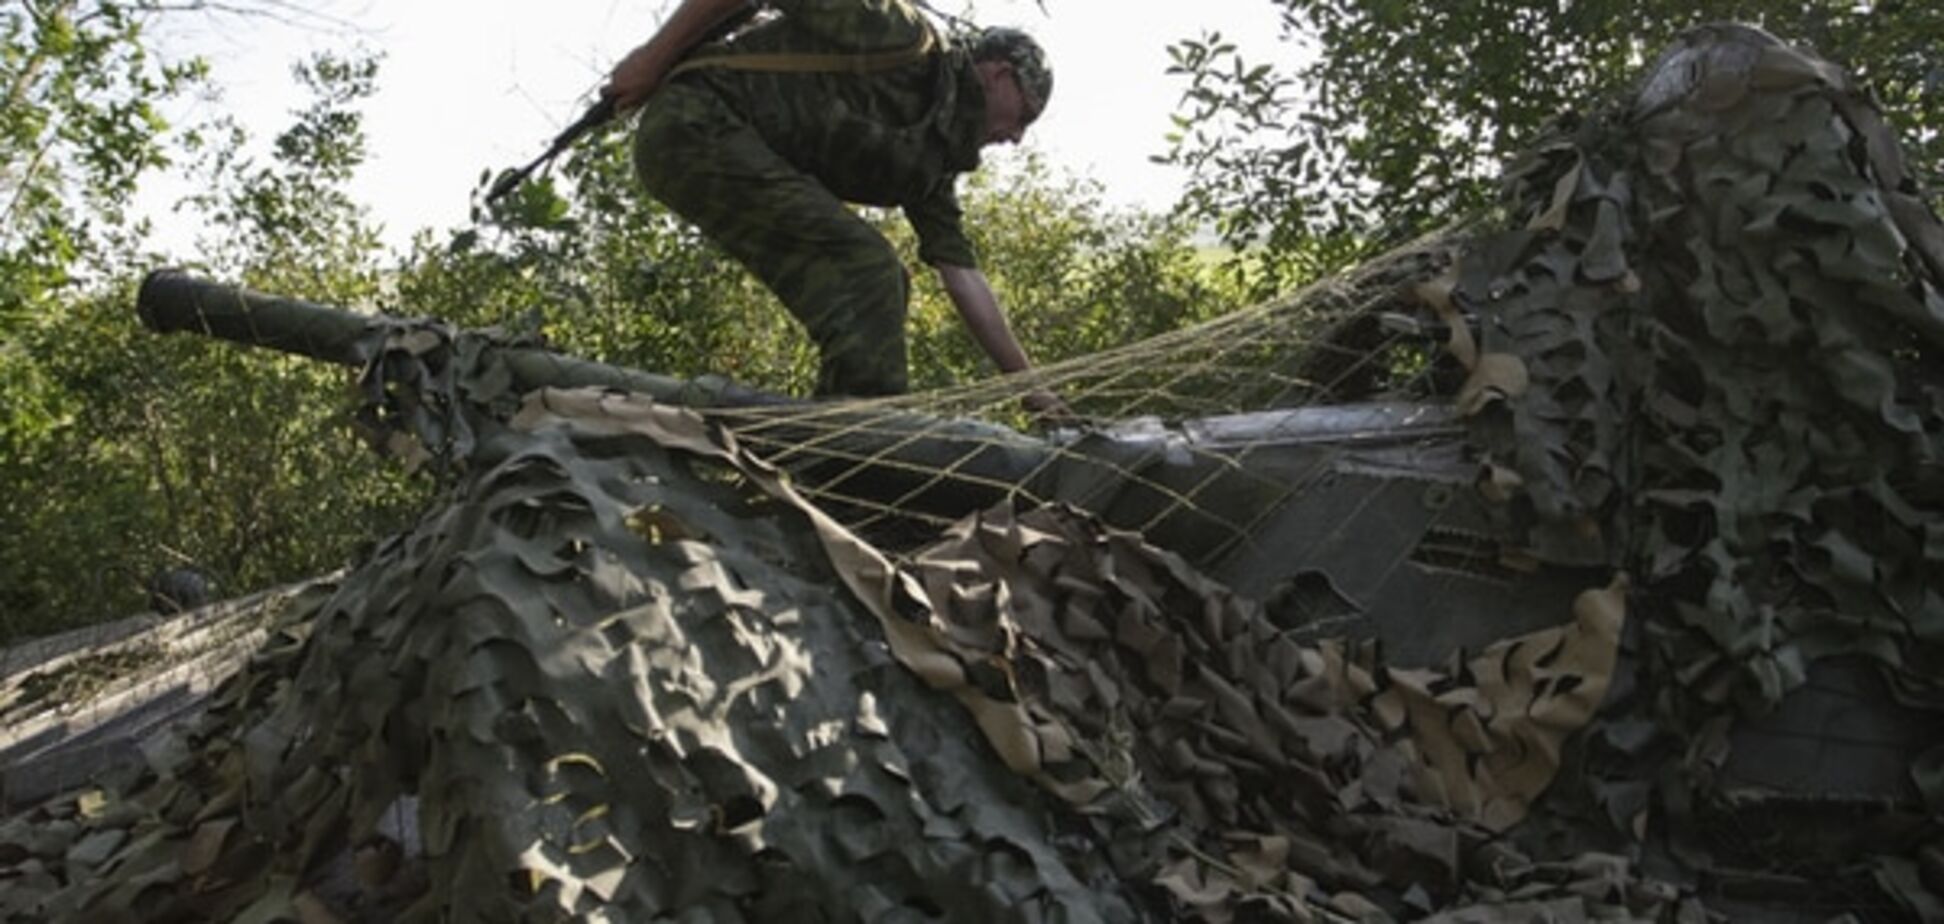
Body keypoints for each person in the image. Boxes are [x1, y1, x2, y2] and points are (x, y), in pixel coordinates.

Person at [604, 0, 1066, 415]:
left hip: (708, 141)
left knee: (878, 279)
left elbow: (964, 277)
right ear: (1000, 74)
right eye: (1024, 114)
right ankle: (851, 458)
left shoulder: (930, 160)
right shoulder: (900, 36)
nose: (1018, 137)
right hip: (696, 120)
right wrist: (652, 59)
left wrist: (1034, 392)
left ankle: (837, 441)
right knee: (869, 272)